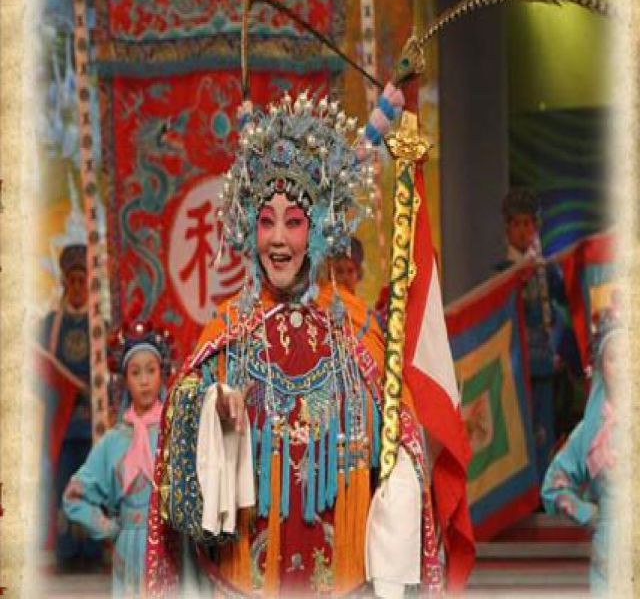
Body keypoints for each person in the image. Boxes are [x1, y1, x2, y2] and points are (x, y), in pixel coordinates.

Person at [145, 91, 470, 597]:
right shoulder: (229, 332)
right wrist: (213, 409)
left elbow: (400, 434)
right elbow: (177, 438)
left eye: (294, 222)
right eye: (266, 221)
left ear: (319, 230)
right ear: (249, 228)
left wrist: (400, 455)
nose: (278, 238)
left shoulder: (356, 330)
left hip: (344, 574)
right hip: (246, 577)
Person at [63, 321, 173, 597]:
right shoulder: (114, 441)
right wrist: (109, 529)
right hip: (129, 550)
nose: (144, 380)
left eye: (151, 370)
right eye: (136, 372)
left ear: (161, 375)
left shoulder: (175, 430)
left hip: (170, 547)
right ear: (125, 381)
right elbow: (73, 497)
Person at [495, 188, 581, 482]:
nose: (522, 231)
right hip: (514, 367)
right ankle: (522, 493)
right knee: (519, 437)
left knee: (543, 432)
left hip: (543, 364)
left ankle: (544, 490)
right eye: (517, 224)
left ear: (535, 227)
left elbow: (565, 296)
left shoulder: (544, 270)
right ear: (508, 229)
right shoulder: (502, 274)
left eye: (528, 224)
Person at [541, 311, 622, 594]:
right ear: (600, 367)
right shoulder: (590, 432)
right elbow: (553, 485)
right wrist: (589, 514)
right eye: (613, 358)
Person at [37, 243, 104, 570]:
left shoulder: (100, 326)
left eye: (83, 281)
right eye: (72, 281)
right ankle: (65, 552)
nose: (77, 287)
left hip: (92, 424)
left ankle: (92, 551)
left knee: (90, 488)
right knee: (63, 486)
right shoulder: (49, 326)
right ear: (64, 283)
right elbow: (40, 373)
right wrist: (63, 393)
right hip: (62, 426)